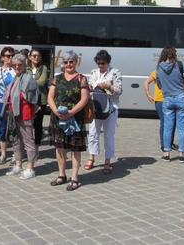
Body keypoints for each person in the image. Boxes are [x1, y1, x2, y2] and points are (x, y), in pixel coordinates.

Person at [47, 51, 89, 191]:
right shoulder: (56, 78)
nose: (68, 64)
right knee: (60, 147)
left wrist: (71, 112)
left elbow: (84, 99)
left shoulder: (81, 78)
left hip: (75, 118)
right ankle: (61, 175)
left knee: (75, 149)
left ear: (76, 62)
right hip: (58, 118)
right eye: (66, 62)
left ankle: (74, 177)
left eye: (71, 61)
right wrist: (56, 112)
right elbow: (50, 98)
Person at [156, 46, 184, 163]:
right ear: (174, 54)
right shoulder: (179, 65)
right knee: (181, 128)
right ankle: (181, 154)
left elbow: (159, 84)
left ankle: (166, 153)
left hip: (167, 98)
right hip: (180, 97)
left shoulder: (159, 67)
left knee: (167, 127)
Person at [3, 54, 40, 179]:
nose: (17, 67)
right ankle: (18, 165)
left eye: (20, 64)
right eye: (15, 65)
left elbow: (35, 99)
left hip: (25, 115)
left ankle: (30, 168)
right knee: (16, 140)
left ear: (25, 65)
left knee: (28, 141)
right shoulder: (15, 78)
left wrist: (32, 113)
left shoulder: (29, 79)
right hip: (13, 115)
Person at [85, 50, 122, 174]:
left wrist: (108, 87)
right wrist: (89, 87)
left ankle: (107, 161)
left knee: (108, 135)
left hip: (110, 108)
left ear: (108, 62)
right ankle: (91, 158)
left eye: (103, 63)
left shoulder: (115, 72)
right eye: (98, 63)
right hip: (95, 107)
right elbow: (89, 86)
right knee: (93, 133)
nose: (100, 66)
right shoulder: (93, 72)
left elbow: (119, 91)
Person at [0, 47, 16, 164]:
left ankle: (16, 153)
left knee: (14, 128)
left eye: (12, 55)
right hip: (0, 101)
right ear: (2, 57)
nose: (10, 58)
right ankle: (3, 154)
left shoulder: (16, 70)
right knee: (1, 127)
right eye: (7, 56)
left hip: (13, 102)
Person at [144, 70, 177, 152]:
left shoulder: (173, 71)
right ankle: (164, 144)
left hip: (172, 99)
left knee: (173, 122)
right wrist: (148, 94)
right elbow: (146, 82)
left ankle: (170, 142)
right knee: (164, 122)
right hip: (160, 100)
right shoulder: (157, 71)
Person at [27, 49, 48, 147]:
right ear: (30, 57)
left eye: (38, 56)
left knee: (38, 123)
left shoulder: (43, 68)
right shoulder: (26, 69)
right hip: (28, 99)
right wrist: (36, 81)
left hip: (41, 99)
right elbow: (24, 82)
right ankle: (28, 145)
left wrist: (30, 81)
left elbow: (43, 82)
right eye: (34, 55)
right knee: (28, 123)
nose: (36, 57)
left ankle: (37, 145)